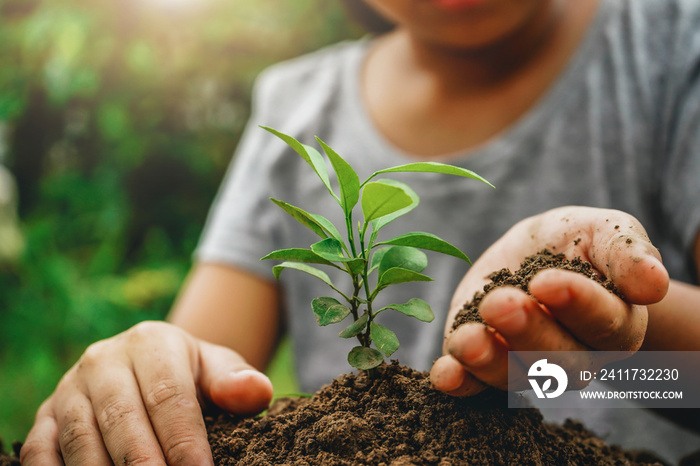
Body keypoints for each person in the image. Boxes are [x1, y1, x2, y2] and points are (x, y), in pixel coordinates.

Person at [20, 0, 700, 464]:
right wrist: (143, 368)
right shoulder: (297, 104)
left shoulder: (670, 42)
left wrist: (623, 343)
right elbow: (206, 380)